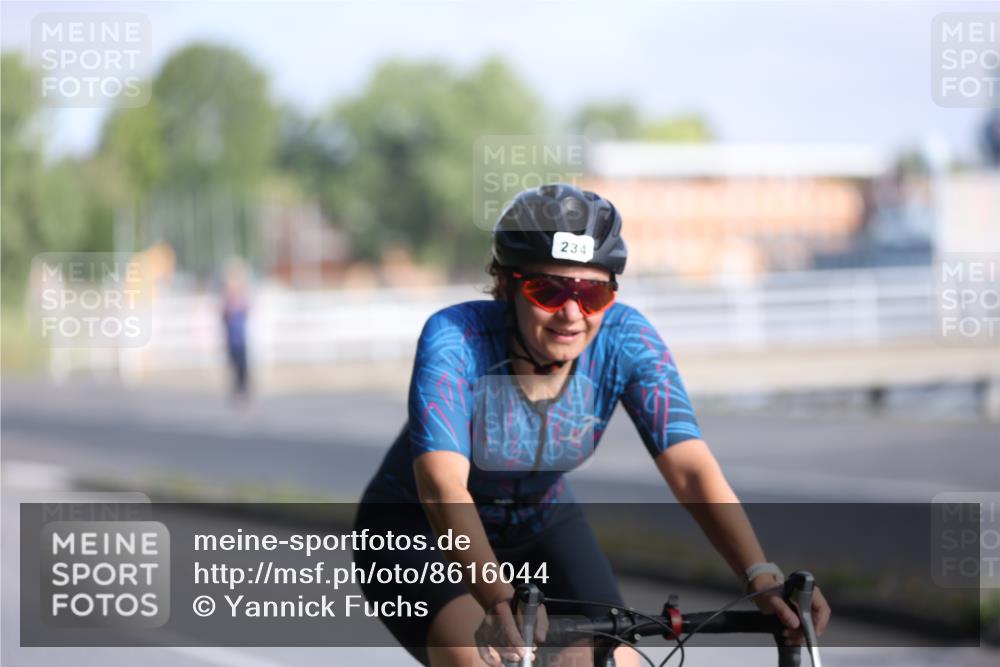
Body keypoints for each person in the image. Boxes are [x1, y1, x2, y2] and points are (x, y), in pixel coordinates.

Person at [353, 183, 830, 667]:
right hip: (418, 532)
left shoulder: (627, 339)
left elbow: (690, 470)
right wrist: (498, 598)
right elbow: (442, 486)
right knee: (481, 662)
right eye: (548, 289)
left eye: (593, 293)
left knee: (615, 663)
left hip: (541, 521)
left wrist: (760, 577)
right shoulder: (457, 337)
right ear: (507, 285)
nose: (571, 312)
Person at [220, 257, 251, 402]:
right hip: (232, 339)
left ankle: (243, 391)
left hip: (241, 340)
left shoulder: (241, 300)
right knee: (233, 366)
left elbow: (247, 312)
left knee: (242, 367)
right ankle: (237, 391)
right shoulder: (227, 302)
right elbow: (223, 317)